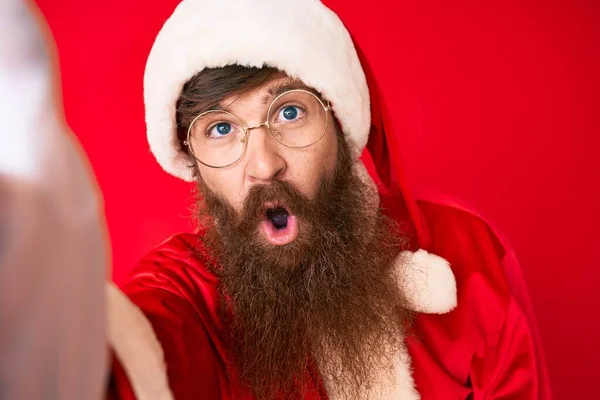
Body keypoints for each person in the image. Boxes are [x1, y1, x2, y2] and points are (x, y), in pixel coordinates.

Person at [108, 0, 551, 398]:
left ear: (339, 123)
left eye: (289, 111)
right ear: (194, 163)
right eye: (220, 129)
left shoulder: (469, 256)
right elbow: (129, 347)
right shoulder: (189, 292)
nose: (264, 166)